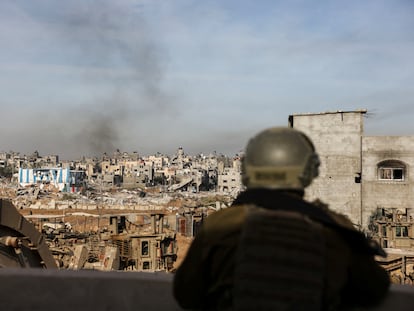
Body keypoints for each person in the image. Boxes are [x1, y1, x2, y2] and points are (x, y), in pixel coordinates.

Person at [173, 127, 390, 310]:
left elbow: (186, 293)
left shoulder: (221, 225)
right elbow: (373, 289)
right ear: (309, 172)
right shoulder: (334, 228)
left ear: (247, 170)